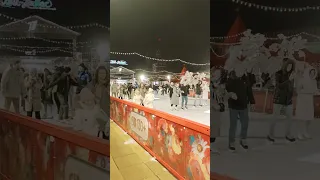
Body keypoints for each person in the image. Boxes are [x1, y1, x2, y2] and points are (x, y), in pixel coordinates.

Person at [226, 69, 255, 152]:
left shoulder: (245, 79)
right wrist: (230, 94)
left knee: (245, 123)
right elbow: (226, 89)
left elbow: (249, 91)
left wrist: (252, 102)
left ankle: (243, 139)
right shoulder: (230, 79)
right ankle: (231, 142)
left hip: (243, 106)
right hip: (233, 106)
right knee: (233, 125)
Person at [268, 59, 296, 143]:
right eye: (288, 65)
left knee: (289, 118)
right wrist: (289, 80)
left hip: (288, 100)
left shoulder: (291, 75)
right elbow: (279, 86)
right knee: (275, 118)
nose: (289, 68)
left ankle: (288, 134)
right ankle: (270, 134)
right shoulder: (278, 73)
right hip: (279, 99)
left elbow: (291, 87)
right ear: (285, 65)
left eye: (291, 66)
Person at [295, 67, 318, 140]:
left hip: (309, 100)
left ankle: (305, 132)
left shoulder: (314, 81)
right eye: (311, 73)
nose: (312, 74)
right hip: (302, 99)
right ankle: (299, 133)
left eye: (314, 73)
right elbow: (297, 90)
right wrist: (307, 91)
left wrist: (314, 92)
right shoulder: (302, 80)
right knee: (301, 117)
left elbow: (315, 90)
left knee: (309, 118)